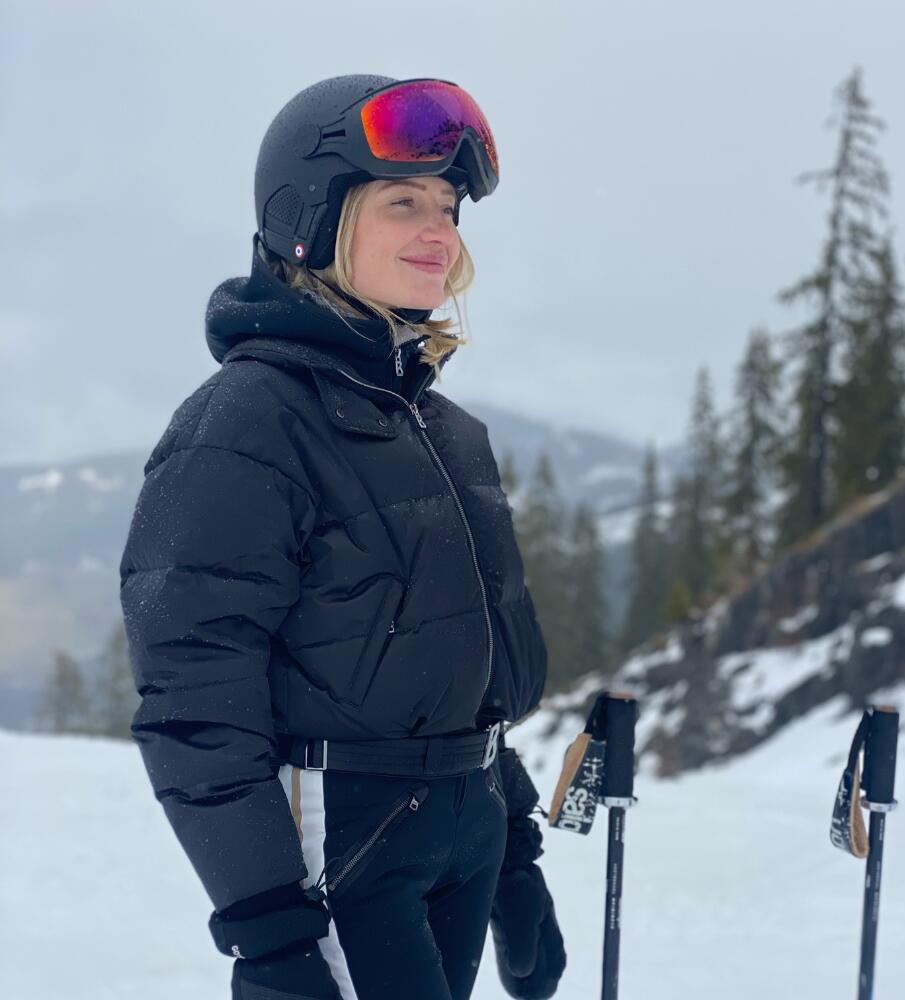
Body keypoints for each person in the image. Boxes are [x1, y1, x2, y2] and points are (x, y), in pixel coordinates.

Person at [118, 74, 566, 1000]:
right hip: (344, 840)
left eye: (448, 207)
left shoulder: (444, 430)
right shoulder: (244, 423)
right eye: (403, 202)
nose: (440, 231)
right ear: (310, 221)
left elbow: (467, 672)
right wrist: (267, 926)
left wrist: (515, 848)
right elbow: (195, 696)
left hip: (466, 825)